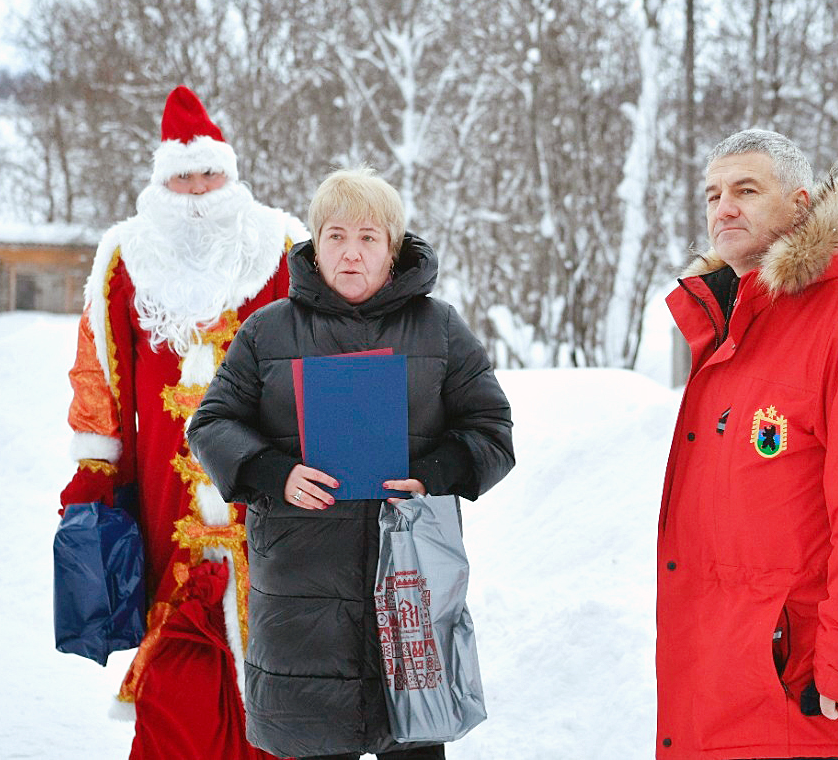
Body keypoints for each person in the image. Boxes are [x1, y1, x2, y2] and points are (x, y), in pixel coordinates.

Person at [187, 166, 515, 760]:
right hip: (299, 592)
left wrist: (435, 474)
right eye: (335, 236)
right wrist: (271, 473)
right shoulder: (268, 331)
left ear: (392, 248)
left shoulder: (440, 328)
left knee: (410, 742)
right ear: (316, 243)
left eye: (368, 238)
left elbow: (492, 432)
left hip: (410, 585)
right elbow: (211, 423)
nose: (351, 253)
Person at [656, 129, 838, 760]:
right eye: (713, 193)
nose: (724, 207)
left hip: (798, 685)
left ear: (801, 204)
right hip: (724, 676)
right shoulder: (734, 321)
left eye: (746, 189)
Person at [59, 85, 309, 759]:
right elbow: (101, 374)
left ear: (230, 174)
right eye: (183, 175)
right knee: (179, 692)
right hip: (168, 516)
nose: (198, 188)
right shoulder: (125, 258)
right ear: (161, 181)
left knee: (279, 680)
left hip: (273, 501)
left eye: (209, 173)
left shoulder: (282, 245)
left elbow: (328, 360)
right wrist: (94, 473)